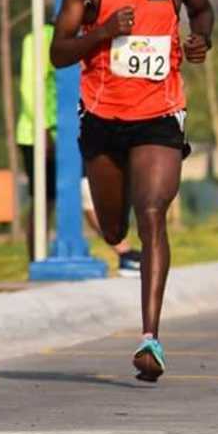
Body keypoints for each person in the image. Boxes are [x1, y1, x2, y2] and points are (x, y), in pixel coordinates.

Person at [51, 0, 213, 382]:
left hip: (160, 115)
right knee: (116, 228)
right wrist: (102, 33)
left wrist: (203, 37)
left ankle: (150, 338)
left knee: (151, 213)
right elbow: (59, 51)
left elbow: (203, 10)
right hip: (102, 117)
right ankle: (116, 233)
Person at [17, 19, 142, 275]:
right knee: (45, 199)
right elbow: (30, 87)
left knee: (87, 188)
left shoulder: (85, 37)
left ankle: (124, 251)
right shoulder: (40, 39)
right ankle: (37, 258)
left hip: (73, 132)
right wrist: (43, 129)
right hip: (42, 135)